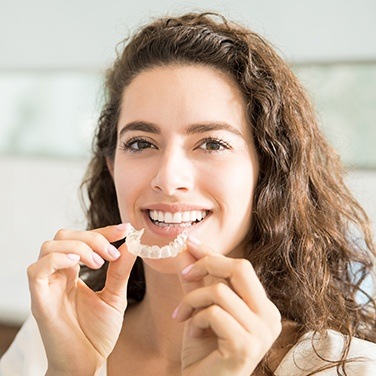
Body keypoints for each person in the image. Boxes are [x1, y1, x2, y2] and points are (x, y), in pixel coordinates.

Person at [1, 11, 376, 376]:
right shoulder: (48, 342)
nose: (168, 178)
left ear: (269, 171)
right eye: (140, 143)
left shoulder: (350, 368)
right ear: (112, 167)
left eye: (211, 143)